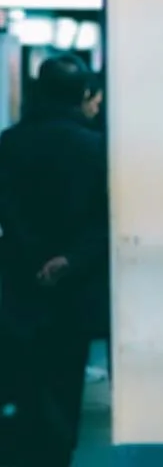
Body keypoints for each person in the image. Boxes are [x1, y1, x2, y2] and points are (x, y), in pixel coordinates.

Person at [0, 54, 109, 467]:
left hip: (19, 281)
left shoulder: (10, 143)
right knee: (64, 382)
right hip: (72, 290)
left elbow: (5, 208)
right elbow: (104, 220)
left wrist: (32, 256)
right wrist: (68, 260)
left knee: (21, 380)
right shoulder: (95, 148)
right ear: (83, 94)